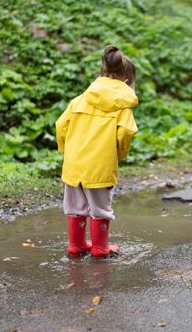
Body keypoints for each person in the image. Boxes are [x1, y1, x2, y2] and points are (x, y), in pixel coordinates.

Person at [55, 45, 138, 257]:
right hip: (100, 166)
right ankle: (100, 249)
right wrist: (119, 154)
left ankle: (76, 246)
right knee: (100, 209)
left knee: (74, 207)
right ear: (126, 81)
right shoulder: (122, 107)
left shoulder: (79, 100)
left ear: (102, 74)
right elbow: (125, 133)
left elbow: (60, 125)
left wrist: (66, 150)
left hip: (73, 164)